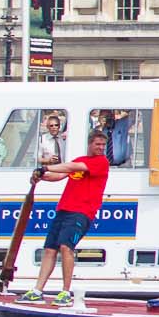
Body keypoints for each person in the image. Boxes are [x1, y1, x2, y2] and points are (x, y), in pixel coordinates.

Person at [22, 128, 111, 305]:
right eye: (97, 144)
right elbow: (60, 174)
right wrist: (41, 176)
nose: (101, 147)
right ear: (90, 144)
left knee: (65, 247)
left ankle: (65, 291)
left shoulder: (101, 163)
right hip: (64, 209)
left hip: (81, 212)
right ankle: (37, 290)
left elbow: (71, 167)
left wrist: (45, 167)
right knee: (49, 249)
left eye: (103, 144)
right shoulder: (81, 160)